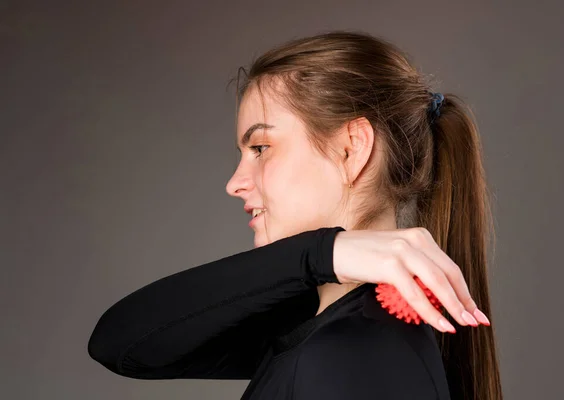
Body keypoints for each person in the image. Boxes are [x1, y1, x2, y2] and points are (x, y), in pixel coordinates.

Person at [87, 31, 502, 399]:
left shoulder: (350, 353)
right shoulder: (320, 325)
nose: (235, 183)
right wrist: (323, 255)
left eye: (261, 148)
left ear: (351, 148)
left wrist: (319, 255)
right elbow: (123, 345)